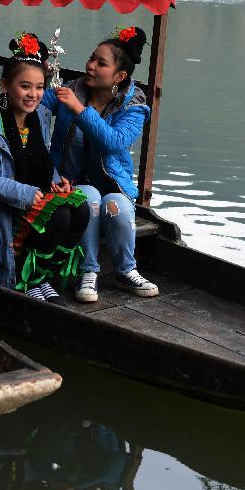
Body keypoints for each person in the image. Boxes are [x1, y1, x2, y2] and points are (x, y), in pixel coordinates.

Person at [0, 32, 89, 301]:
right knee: (58, 216)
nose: (34, 94)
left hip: (30, 196)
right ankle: (25, 279)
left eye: (39, 87)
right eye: (25, 86)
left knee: (80, 209)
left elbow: (40, 158)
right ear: (6, 86)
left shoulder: (38, 115)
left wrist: (54, 178)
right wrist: (22, 193)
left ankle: (40, 275)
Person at [41, 25, 159, 303]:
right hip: (68, 183)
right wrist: (26, 84)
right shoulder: (72, 89)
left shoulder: (135, 106)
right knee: (90, 195)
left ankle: (126, 270)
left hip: (113, 186)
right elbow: (36, 104)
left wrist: (79, 110)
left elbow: (115, 142)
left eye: (100, 63)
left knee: (115, 204)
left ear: (120, 75)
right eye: (92, 58)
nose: (90, 66)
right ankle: (89, 272)